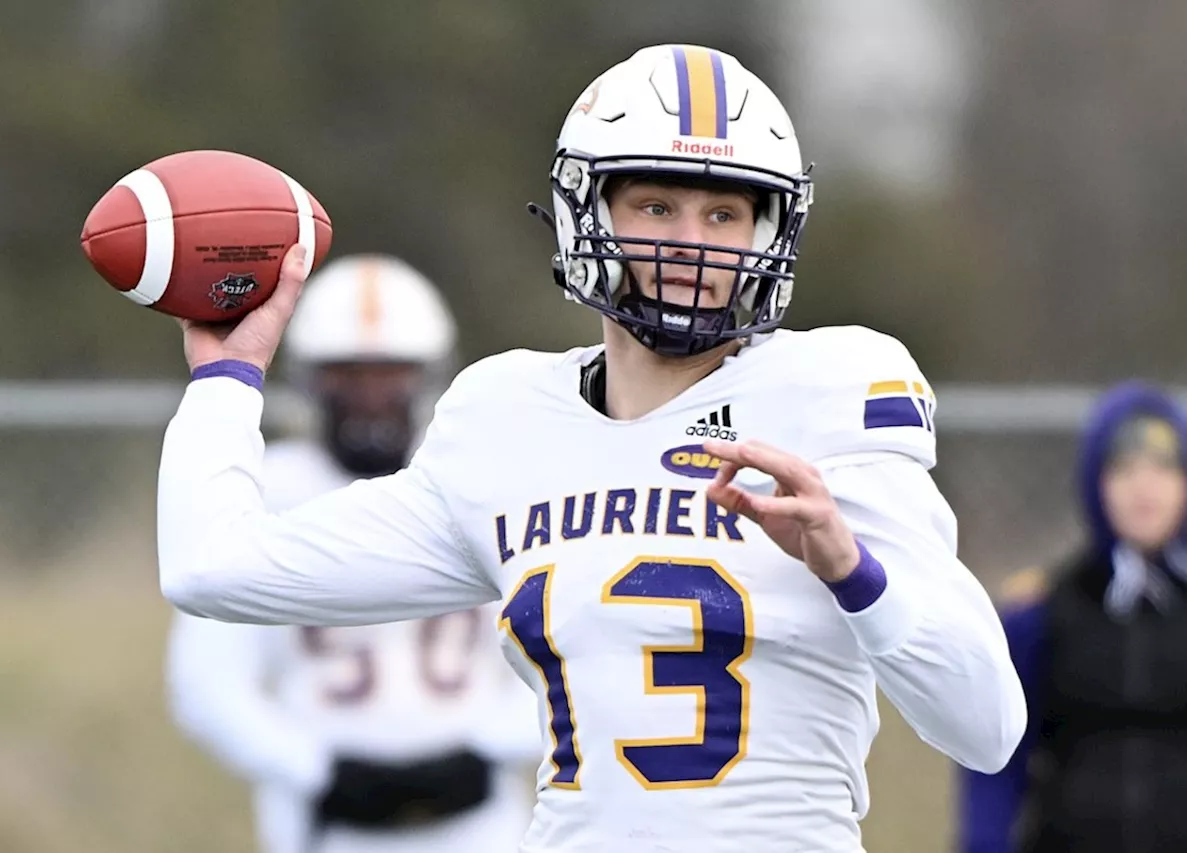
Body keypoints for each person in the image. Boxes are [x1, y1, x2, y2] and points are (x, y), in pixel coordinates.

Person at [156, 44, 1025, 852]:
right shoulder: (505, 422)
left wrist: (852, 568)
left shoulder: (830, 392)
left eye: (724, 212)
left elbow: (986, 728)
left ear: (769, 232)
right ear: (586, 209)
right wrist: (228, 379)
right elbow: (213, 567)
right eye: (656, 205)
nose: (691, 244)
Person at [165, 255, 541, 853]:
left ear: (425, 375)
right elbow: (207, 686)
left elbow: (560, 648)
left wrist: (489, 752)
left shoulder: (478, 480)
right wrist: (317, 771)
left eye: (389, 373)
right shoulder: (264, 487)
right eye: (348, 374)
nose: (370, 396)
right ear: (313, 380)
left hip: (481, 821)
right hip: (330, 825)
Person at [957, 381, 1187, 853]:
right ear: (1095, 483)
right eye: (1124, 470)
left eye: (1163, 470)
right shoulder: (1041, 612)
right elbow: (993, 765)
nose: (1143, 488)